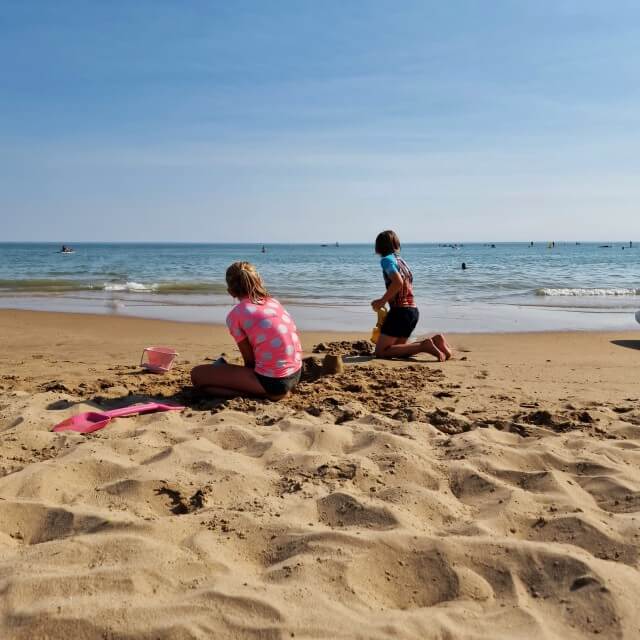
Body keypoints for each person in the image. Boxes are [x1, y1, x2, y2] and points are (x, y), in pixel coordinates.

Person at [191, 262, 302, 399]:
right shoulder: (274, 302)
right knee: (212, 383)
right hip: (295, 374)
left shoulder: (236, 314)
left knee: (197, 375)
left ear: (230, 292)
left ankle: (261, 394)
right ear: (260, 281)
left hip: (272, 382)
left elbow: (249, 361)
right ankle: (268, 391)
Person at [371, 230, 452, 361]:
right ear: (395, 244)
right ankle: (435, 341)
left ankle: (424, 346)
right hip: (412, 311)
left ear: (379, 246)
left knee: (381, 352)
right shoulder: (401, 261)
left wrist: (382, 301)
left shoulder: (386, 260)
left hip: (400, 312)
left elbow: (398, 282)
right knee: (398, 349)